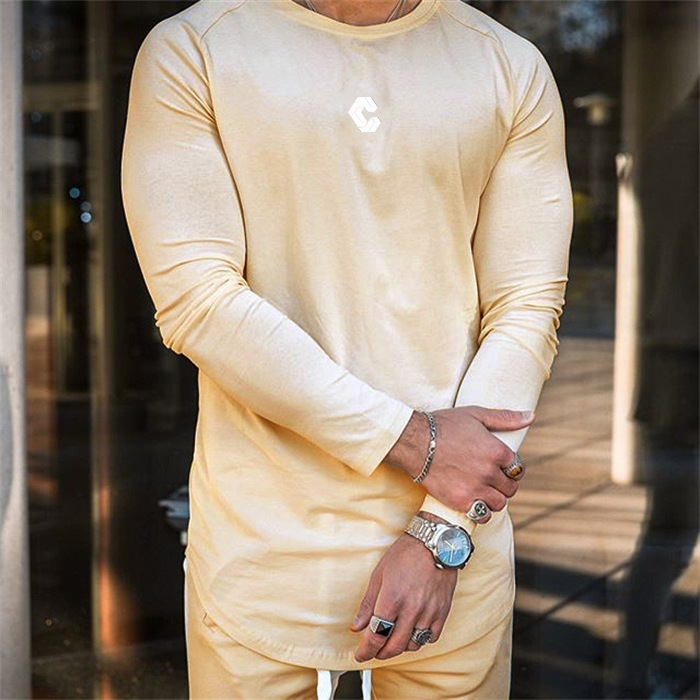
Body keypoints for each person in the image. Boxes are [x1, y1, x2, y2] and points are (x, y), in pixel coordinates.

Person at [120, 0, 573, 697]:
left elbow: (525, 309)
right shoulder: (194, 49)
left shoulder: (507, 66)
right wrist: (412, 441)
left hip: (454, 568)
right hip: (263, 561)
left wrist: (441, 534)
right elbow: (198, 300)